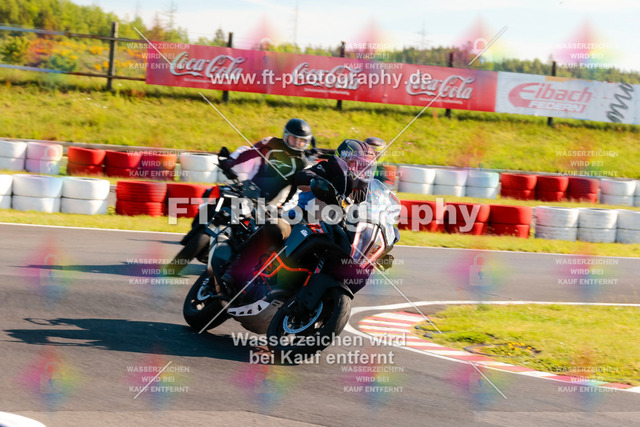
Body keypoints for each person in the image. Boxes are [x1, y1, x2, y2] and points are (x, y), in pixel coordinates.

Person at [220, 139, 375, 291]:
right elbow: (302, 176)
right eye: (357, 164)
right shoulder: (328, 168)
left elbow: (370, 211)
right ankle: (234, 272)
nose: (361, 171)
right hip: (303, 219)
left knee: (360, 270)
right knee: (276, 227)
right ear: (344, 160)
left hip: (336, 232)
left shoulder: (363, 191)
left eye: (365, 167)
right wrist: (316, 182)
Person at [218, 118, 314, 204]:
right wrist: (230, 162)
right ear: (286, 136)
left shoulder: (302, 164)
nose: (297, 143)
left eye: (301, 140)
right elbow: (249, 152)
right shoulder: (271, 142)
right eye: (294, 138)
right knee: (220, 194)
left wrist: (283, 208)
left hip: (268, 203)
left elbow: (295, 191)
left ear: (307, 141)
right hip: (248, 188)